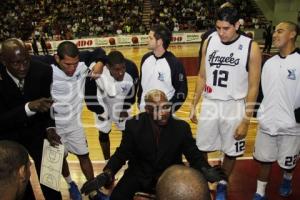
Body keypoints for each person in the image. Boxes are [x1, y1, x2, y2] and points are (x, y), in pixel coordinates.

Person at [81, 89, 226, 200]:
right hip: (139, 174)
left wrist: (205, 170)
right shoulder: (134, 124)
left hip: (169, 176)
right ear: (148, 110)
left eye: (166, 107)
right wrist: (106, 174)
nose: (163, 113)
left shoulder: (181, 127)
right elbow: (121, 154)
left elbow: (194, 156)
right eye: (157, 109)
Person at [189, 6, 261, 200]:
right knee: (201, 147)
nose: (221, 32)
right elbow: (202, 75)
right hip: (211, 102)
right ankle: (205, 179)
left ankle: (222, 182)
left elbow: (254, 86)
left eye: (226, 28)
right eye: (218, 27)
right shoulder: (209, 41)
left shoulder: (250, 47)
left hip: (234, 104)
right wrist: (194, 103)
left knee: (231, 150)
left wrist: (246, 119)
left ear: (237, 25)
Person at [0, 38, 62, 200]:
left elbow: (47, 103)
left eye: (26, 60)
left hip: (38, 130)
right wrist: (28, 108)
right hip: (8, 136)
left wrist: (50, 127)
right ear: (3, 60)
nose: (23, 67)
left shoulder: (44, 70)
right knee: (18, 184)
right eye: (16, 63)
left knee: (51, 180)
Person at [45, 41, 104, 200]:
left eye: (75, 64)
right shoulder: (45, 66)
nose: (72, 68)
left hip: (74, 123)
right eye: (67, 64)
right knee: (60, 158)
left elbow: (99, 50)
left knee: (84, 155)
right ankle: (71, 184)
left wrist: (100, 63)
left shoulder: (83, 61)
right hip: (53, 126)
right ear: (57, 58)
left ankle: (93, 190)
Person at [253, 21, 300, 200]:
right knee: (265, 159)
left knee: (288, 162)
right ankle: (259, 192)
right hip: (268, 122)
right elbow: (261, 91)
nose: (274, 35)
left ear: (292, 34)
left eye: (280, 31)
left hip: (292, 125)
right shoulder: (269, 63)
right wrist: (259, 112)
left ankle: (287, 179)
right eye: (274, 31)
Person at [86, 50, 139, 161]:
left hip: (120, 101)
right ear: (107, 66)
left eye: (123, 68)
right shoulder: (95, 70)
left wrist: (125, 107)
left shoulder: (132, 69)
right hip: (102, 102)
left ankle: (126, 156)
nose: (121, 73)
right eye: (117, 69)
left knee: (127, 131)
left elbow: (132, 93)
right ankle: (107, 160)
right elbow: (89, 97)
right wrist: (99, 110)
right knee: (104, 132)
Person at [137, 24, 188, 112]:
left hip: (164, 116)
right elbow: (142, 83)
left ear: (159, 41)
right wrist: (139, 100)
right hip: (144, 111)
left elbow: (182, 91)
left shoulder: (174, 63)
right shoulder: (145, 58)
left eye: (150, 38)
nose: (147, 40)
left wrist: (168, 109)